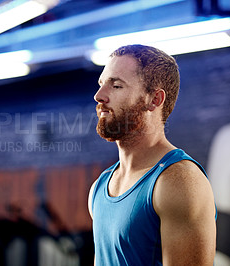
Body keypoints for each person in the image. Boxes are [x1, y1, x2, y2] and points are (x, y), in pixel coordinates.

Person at [88, 44, 216, 265]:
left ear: (154, 99)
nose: (99, 96)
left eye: (116, 86)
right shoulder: (100, 187)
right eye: (101, 84)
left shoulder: (179, 182)